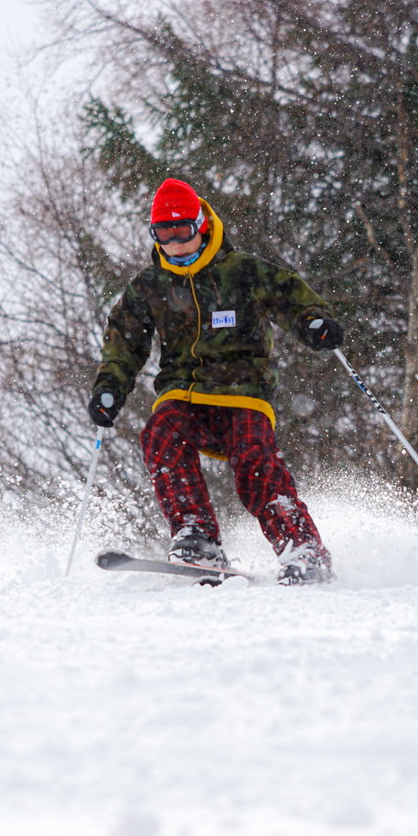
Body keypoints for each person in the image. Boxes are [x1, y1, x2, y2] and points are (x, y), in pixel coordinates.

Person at [88, 178, 343, 585]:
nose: (175, 243)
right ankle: (197, 535)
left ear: (201, 225)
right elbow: (123, 343)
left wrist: (313, 321)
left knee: (254, 461)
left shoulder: (241, 272)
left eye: (182, 230)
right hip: (182, 393)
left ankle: (302, 548)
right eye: (163, 234)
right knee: (161, 433)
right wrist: (110, 387)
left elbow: (293, 298)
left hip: (243, 391)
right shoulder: (149, 286)